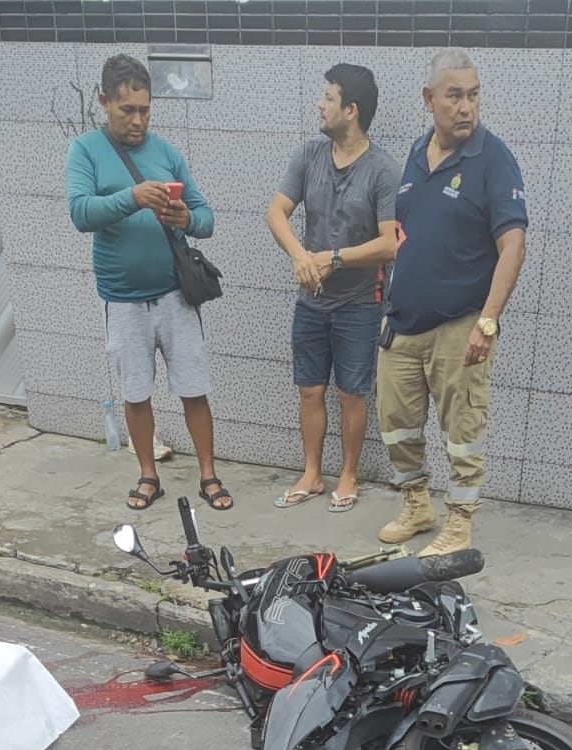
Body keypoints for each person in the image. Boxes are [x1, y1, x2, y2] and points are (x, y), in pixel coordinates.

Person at [65, 54, 232, 513]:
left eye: (145, 109)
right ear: (104, 101)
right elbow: (80, 212)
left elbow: (206, 217)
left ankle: (209, 474)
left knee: (194, 388)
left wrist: (186, 219)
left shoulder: (166, 152)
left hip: (177, 294)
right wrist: (133, 197)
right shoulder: (85, 150)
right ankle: (148, 475)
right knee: (135, 393)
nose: (138, 120)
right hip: (122, 299)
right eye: (127, 110)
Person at [376, 49, 528, 555]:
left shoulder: (493, 158)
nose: (466, 107)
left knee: (463, 431)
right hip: (403, 323)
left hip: (461, 326)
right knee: (396, 425)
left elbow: (513, 245)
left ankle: (459, 524)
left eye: (474, 95)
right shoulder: (416, 154)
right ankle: (416, 505)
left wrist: (488, 322)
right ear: (429, 99)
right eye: (454, 96)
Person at [266, 64, 401, 514]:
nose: (319, 105)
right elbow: (276, 213)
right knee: (309, 389)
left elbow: (390, 244)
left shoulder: (383, 169)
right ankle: (311, 473)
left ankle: (348, 475)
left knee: (351, 393)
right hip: (311, 301)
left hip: (361, 303)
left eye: (328, 97)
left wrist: (334, 258)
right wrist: (300, 256)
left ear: (351, 110)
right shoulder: (309, 155)